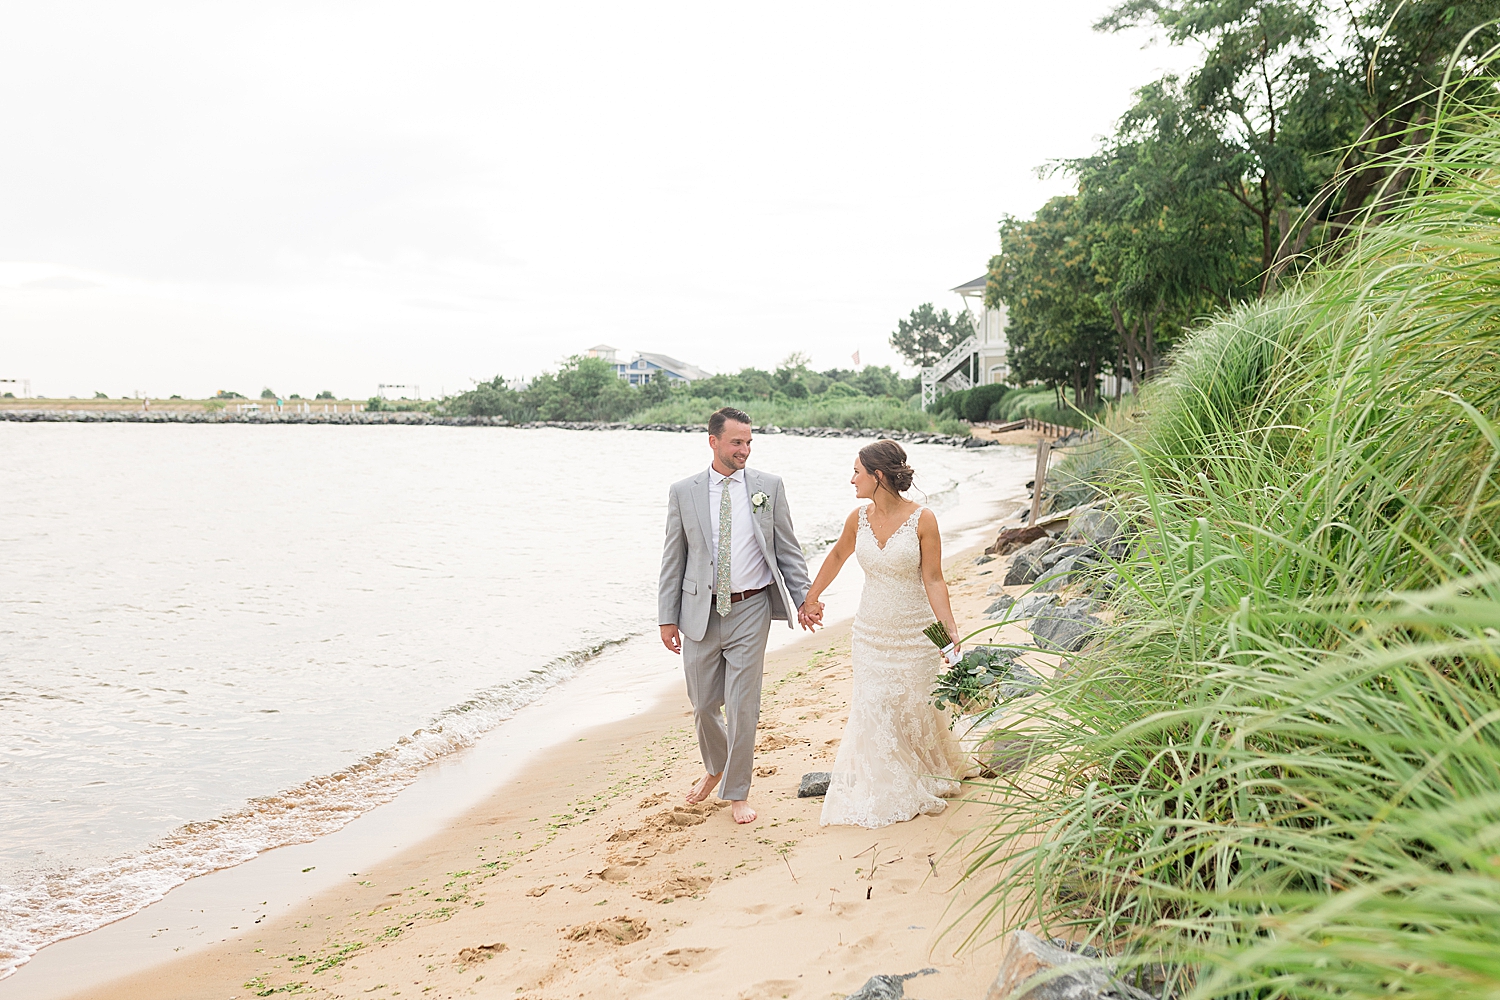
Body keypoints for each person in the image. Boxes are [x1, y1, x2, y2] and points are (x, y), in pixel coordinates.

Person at [799, 439, 969, 828]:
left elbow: (934, 578)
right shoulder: (856, 518)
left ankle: (924, 767)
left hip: (915, 633)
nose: (851, 479)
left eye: (857, 472)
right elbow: (838, 556)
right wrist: (812, 597)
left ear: (877, 476)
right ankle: (886, 781)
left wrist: (949, 631)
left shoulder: (923, 519)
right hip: (870, 634)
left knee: (914, 708)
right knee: (874, 706)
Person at [658, 407, 814, 825]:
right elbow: (674, 558)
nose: (744, 449)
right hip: (699, 613)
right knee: (703, 704)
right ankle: (717, 766)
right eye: (736, 442)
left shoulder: (770, 487)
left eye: (749, 442)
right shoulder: (683, 492)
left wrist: (805, 598)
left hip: (752, 608)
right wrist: (666, 617)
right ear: (713, 441)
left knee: (744, 706)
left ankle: (737, 792)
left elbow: (788, 550)